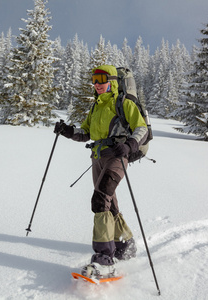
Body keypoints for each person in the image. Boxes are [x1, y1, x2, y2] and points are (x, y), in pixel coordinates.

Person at [54, 65, 148, 278]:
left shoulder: (123, 103)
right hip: (98, 157)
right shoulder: (96, 106)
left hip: (118, 156)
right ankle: (125, 244)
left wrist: (129, 145)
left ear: (112, 81)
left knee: (101, 198)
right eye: (94, 79)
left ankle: (105, 259)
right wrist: (67, 131)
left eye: (101, 79)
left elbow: (141, 128)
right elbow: (86, 133)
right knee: (110, 203)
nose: (97, 84)